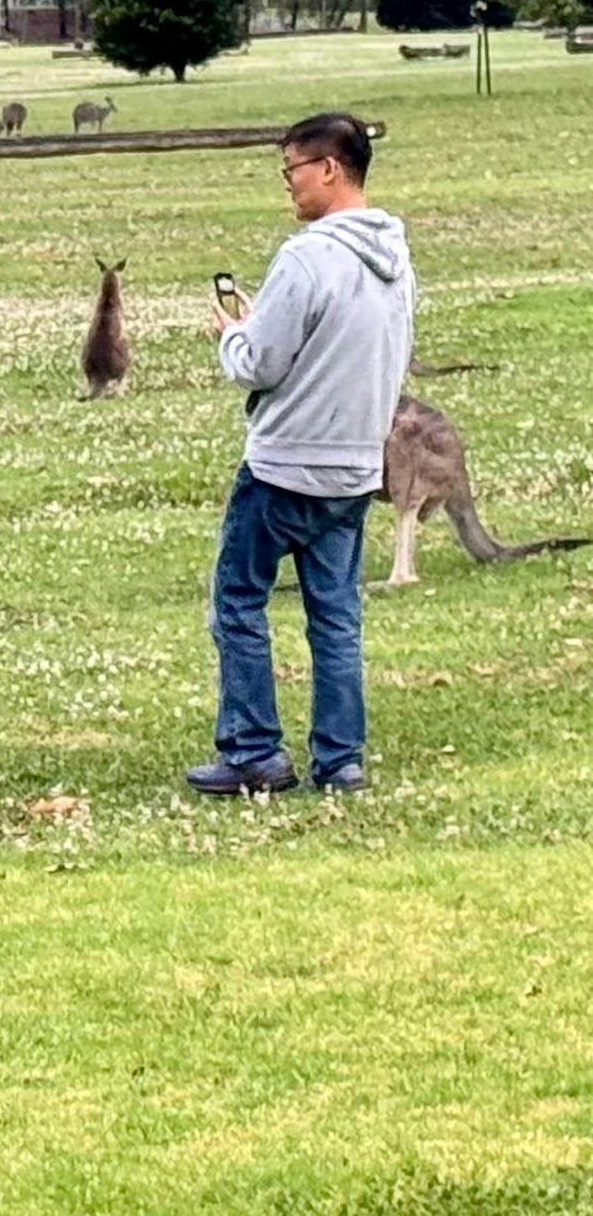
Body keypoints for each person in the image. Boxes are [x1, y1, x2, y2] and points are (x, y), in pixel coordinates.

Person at [189, 112, 413, 796]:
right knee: (336, 614)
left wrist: (233, 333)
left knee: (237, 600)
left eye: (291, 170)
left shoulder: (306, 256)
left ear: (329, 169)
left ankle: (254, 750)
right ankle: (340, 760)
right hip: (353, 467)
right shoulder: (397, 260)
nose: (288, 185)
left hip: (285, 465)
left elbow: (259, 362)